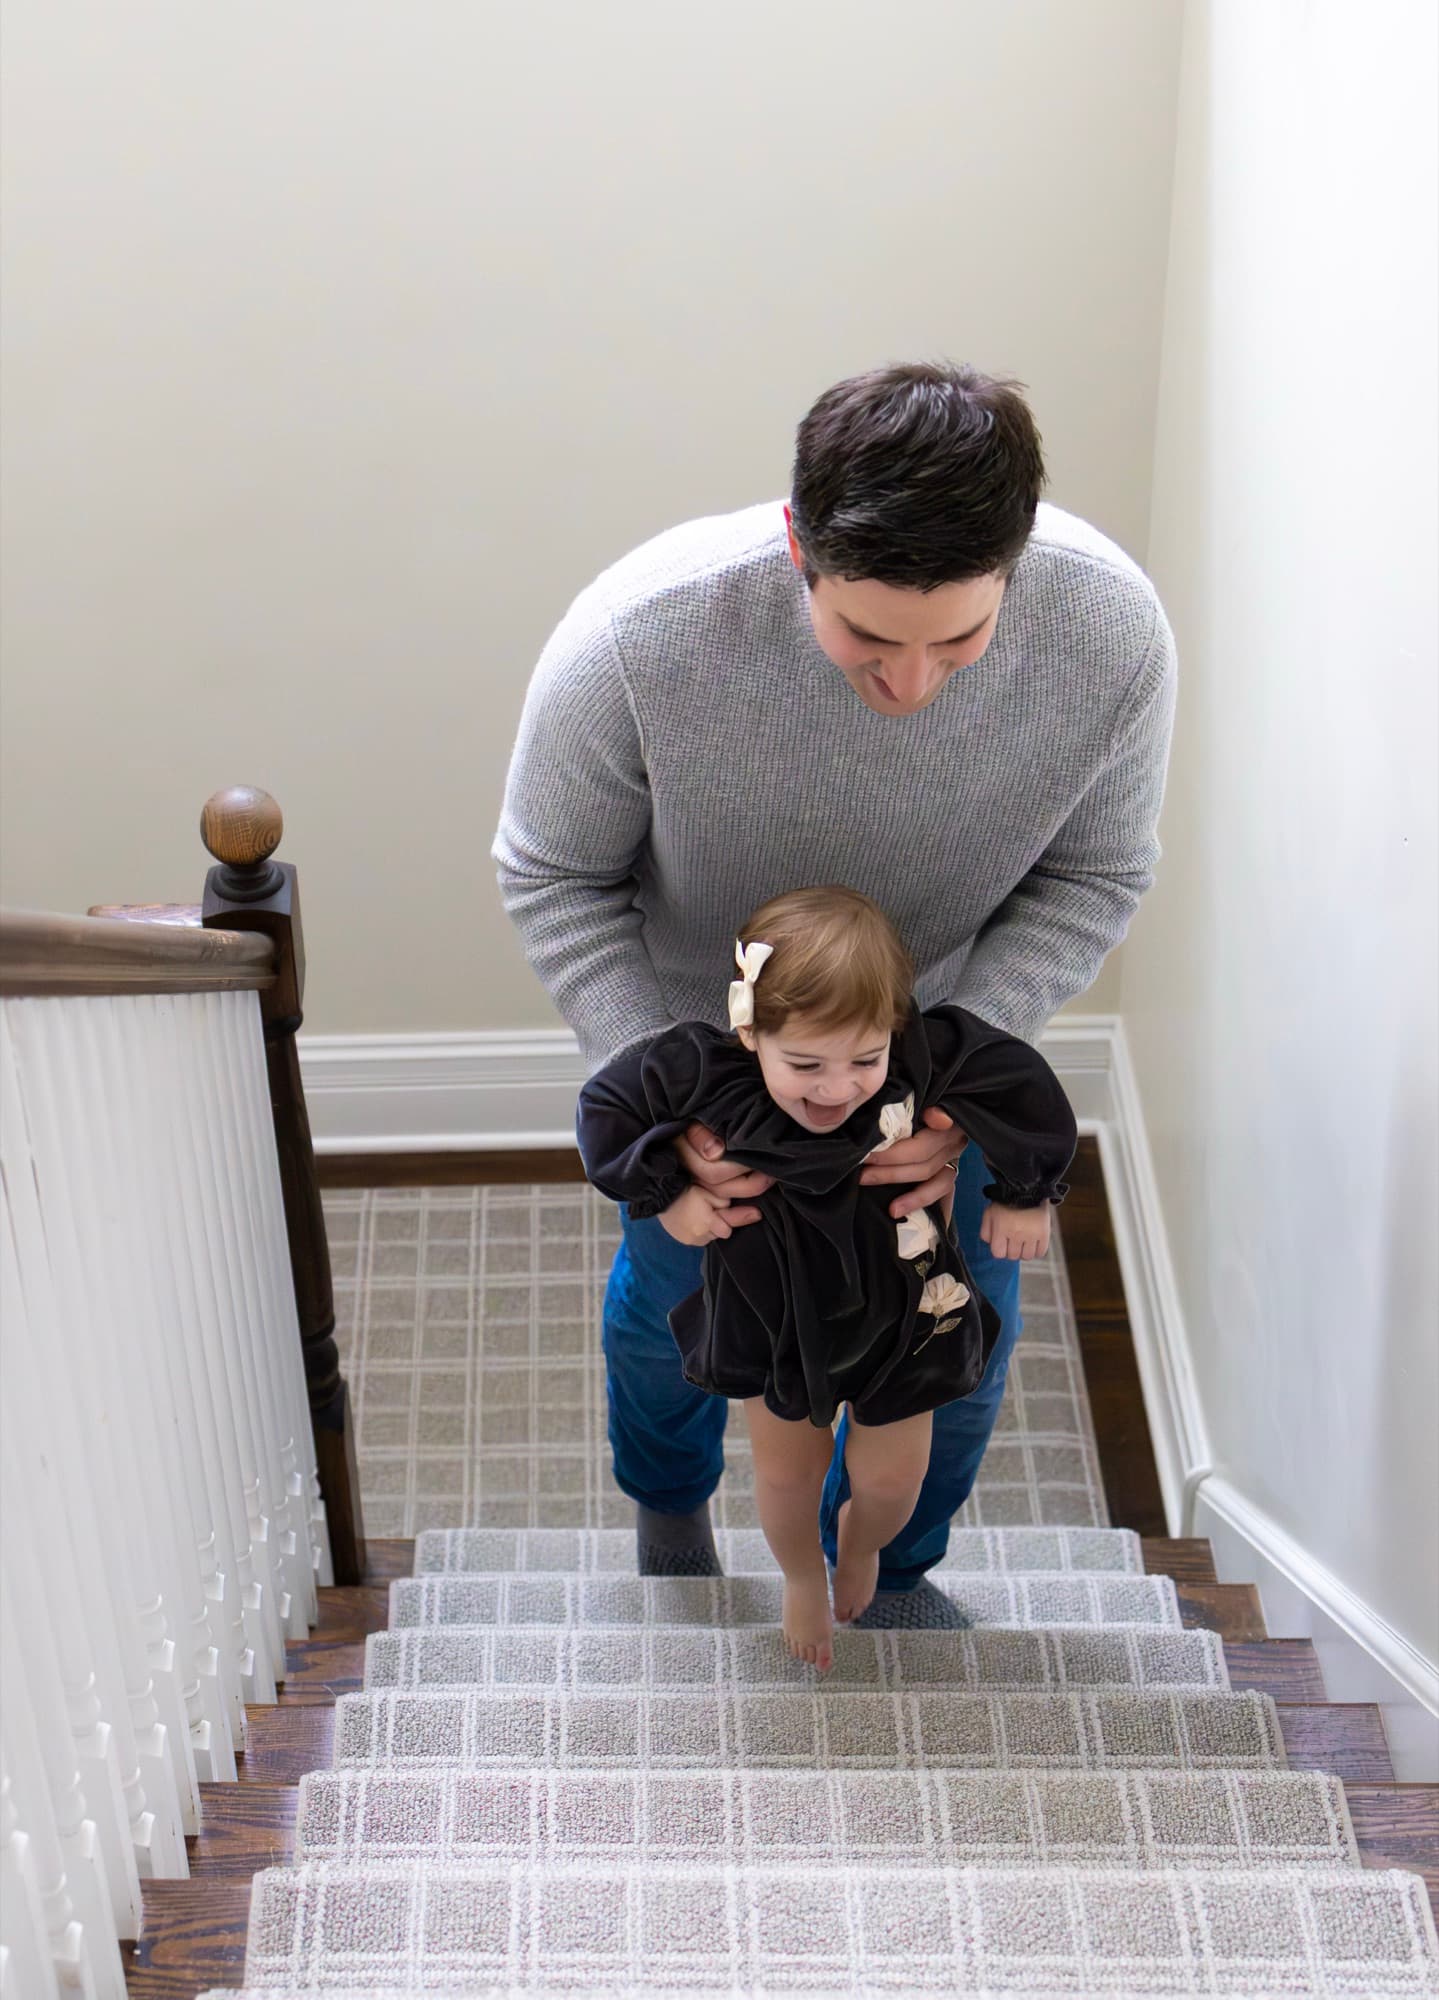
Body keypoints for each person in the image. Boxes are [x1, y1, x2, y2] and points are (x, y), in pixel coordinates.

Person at [493, 360, 1176, 1626]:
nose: (910, 684)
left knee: (955, 1346)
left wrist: (958, 1079)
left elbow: (1095, 872)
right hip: (713, 1070)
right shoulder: (638, 638)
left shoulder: (1111, 637)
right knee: (671, 1317)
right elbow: (552, 874)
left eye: (958, 641)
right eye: (868, 638)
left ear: (1013, 568)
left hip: (946, 1055)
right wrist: (675, 1097)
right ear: (798, 548)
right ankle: (667, 1505)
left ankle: (895, 1572)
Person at [576, 887, 1076, 1669]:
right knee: (789, 1476)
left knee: (892, 1483)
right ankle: (801, 1574)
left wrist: (1025, 1192)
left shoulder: (924, 1056)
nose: (836, 1089)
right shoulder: (707, 1071)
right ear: (750, 1031)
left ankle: (863, 1547)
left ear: (895, 1029)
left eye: (864, 1061)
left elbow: (1020, 1083)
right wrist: (665, 1193)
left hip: (907, 1315)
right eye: (804, 1064)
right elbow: (608, 1103)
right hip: (775, 1318)